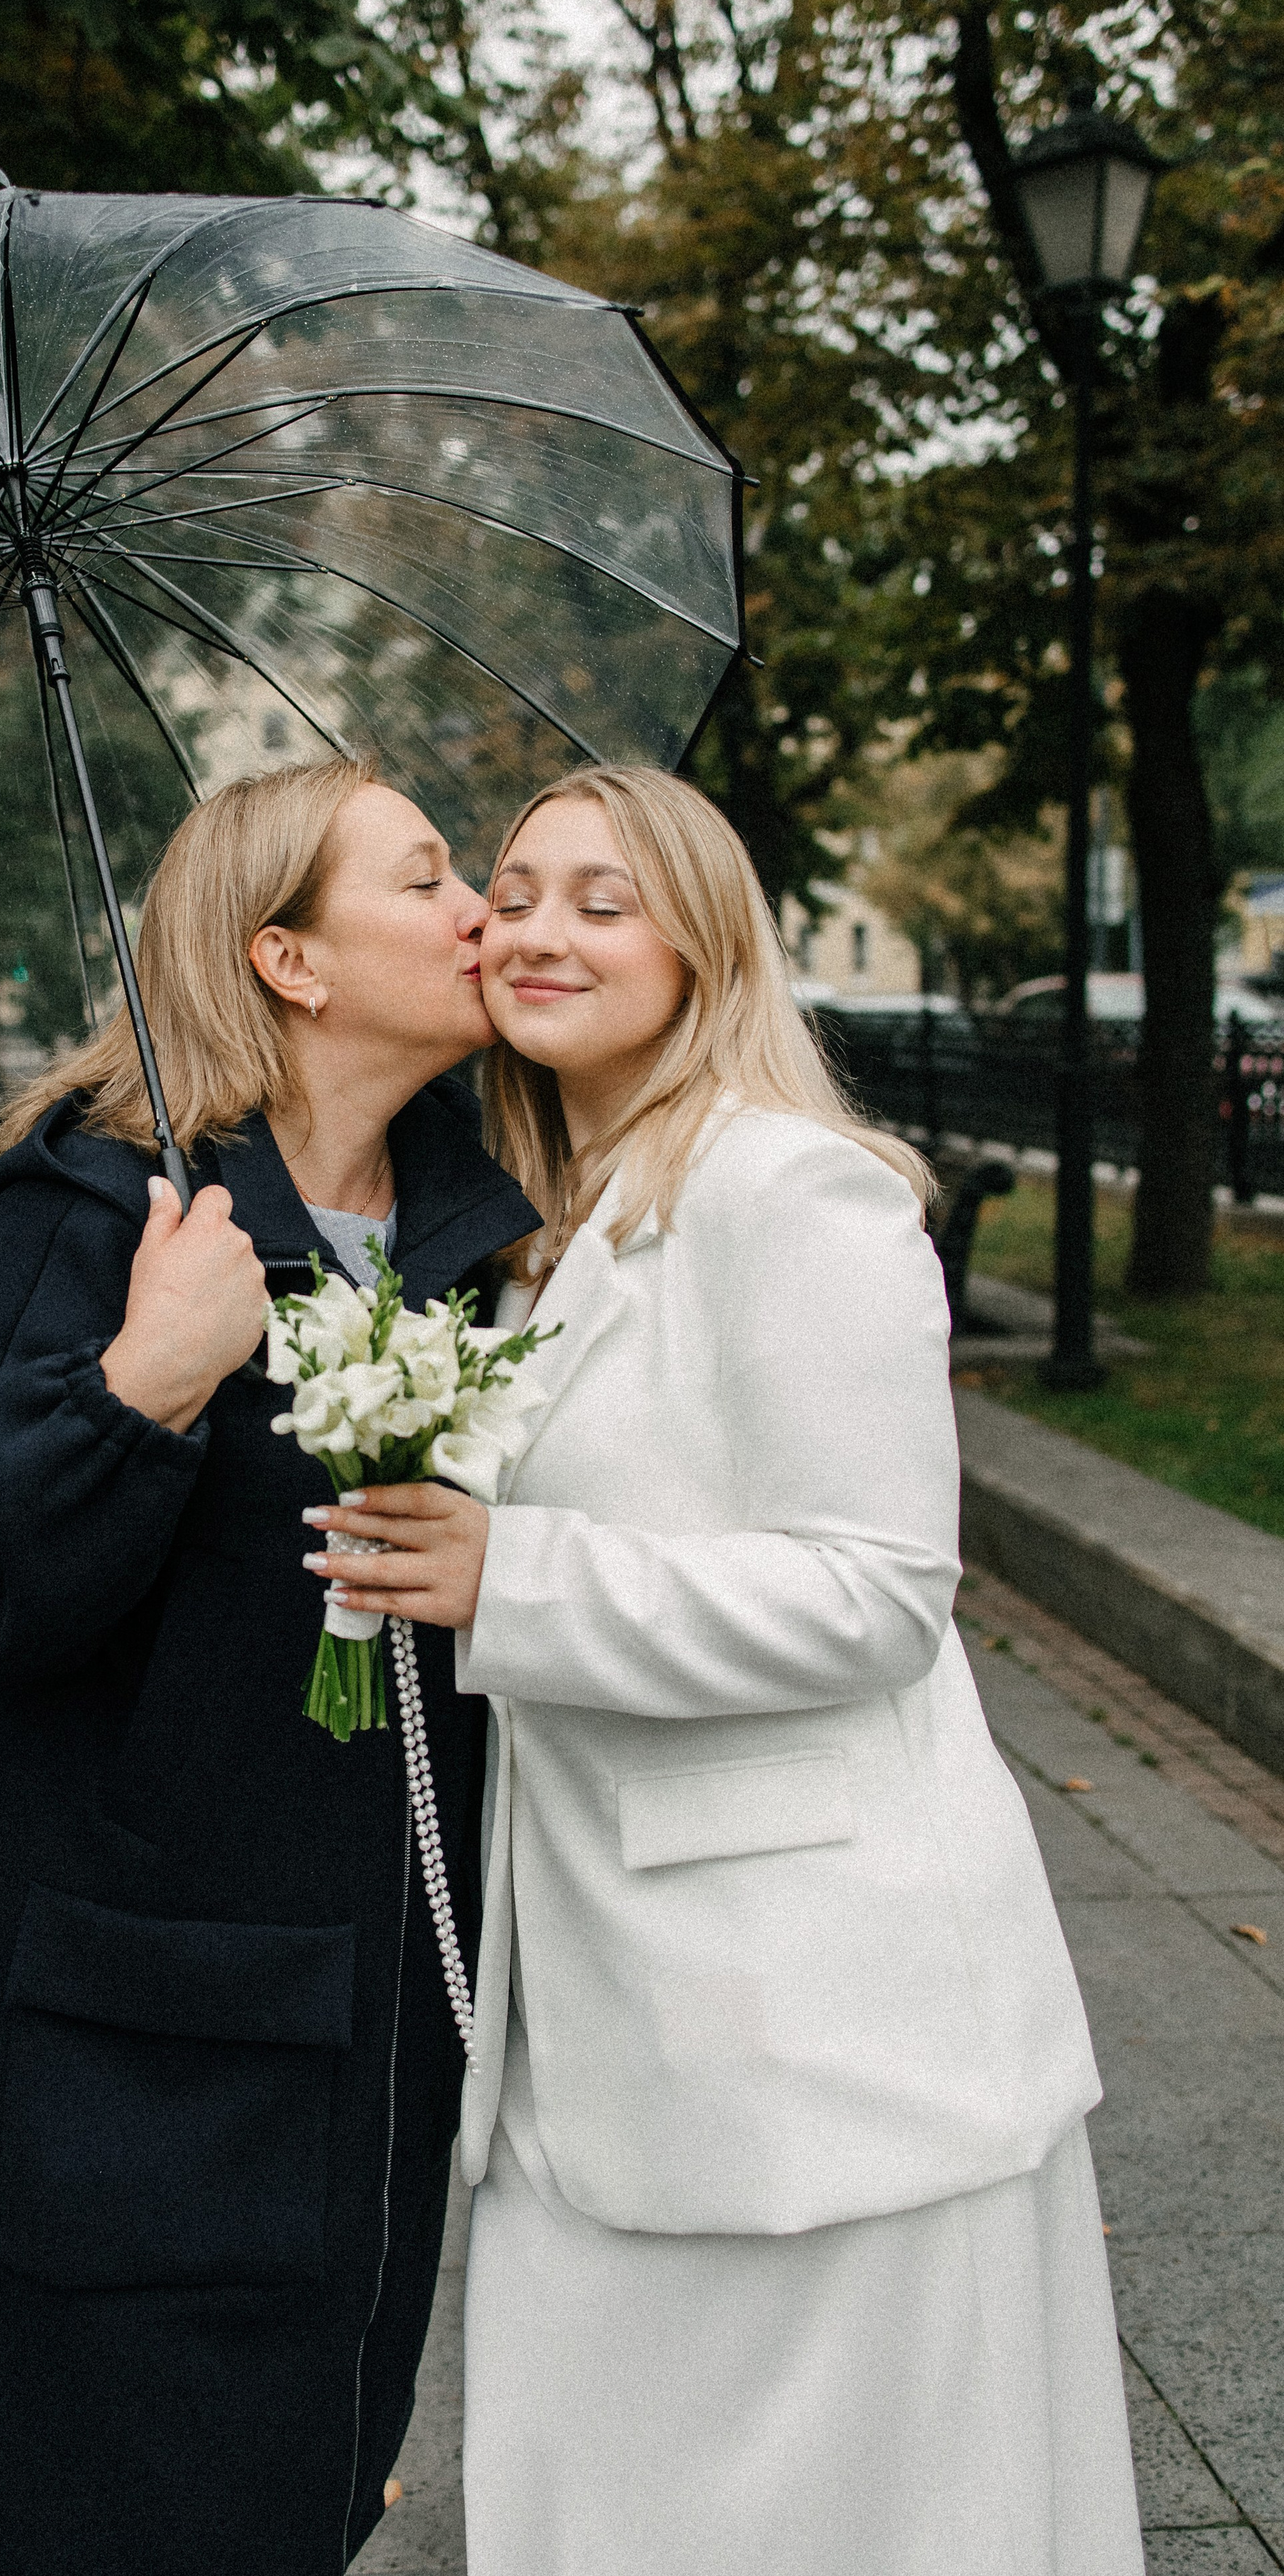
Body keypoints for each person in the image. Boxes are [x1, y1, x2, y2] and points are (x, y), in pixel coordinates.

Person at [313, 763, 1144, 2575]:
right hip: (606, 2012)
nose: (535, 928)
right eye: (513, 890)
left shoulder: (794, 1194)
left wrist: (507, 1575)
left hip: (816, 2033)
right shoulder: (545, 1229)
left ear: (702, 946)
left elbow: (874, 1592)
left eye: (601, 902)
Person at [0, 755, 538, 2576]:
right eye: (422, 880)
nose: (477, 908)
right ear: (288, 960)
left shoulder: (479, 1241)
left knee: (303, 2495)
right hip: (126, 2058)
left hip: (368, 2039)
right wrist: (140, 1386)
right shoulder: (81, 1229)